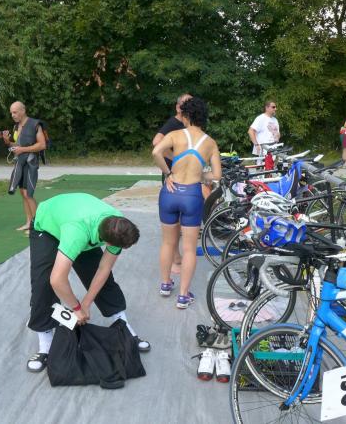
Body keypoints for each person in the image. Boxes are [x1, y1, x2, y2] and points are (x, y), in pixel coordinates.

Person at [26, 192, 150, 372]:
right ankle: (45, 344)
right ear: (106, 240)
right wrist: (76, 308)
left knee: (104, 280)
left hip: (78, 222)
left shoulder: (118, 225)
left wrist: (86, 303)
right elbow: (57, 280)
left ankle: (124, 328)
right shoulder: (77, 234)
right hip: (48, 227)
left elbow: (104, 269)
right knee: (43, 283)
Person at [152, 97, 221, 308]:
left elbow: (156, 151)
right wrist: (201, 175)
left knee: (168, 243)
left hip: (170, 192)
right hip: (192, 194)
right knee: (189, 248)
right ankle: (183, 295)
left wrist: (168, 173)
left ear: (187, 115)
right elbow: (217, 175)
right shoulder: (210, 143)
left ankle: (165, 284)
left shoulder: (175, 135)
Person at [151, 93, 191, 276]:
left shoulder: (188, 124)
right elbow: (156, 143)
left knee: (181, 220)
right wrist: (175, 158)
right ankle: (174, 259)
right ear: (177, 107)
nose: (188, 107)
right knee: (173, 222)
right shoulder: (173, 123)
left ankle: (176, 256)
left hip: (184, 175)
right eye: (185, 104)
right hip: (173, 176)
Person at [3, 101, 45, 235]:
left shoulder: (35, 125)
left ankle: (38, 224)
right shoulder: (16, 126)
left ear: (23, 110)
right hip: (20, 164)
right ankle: (29, 221)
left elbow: (42, 145)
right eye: (11, 113)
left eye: (15, 112)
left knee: (28, 194)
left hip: (30, 163)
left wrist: (22, 149)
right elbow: (17, 145)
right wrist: (7, 141)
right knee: (22, 193)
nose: (12, 115)